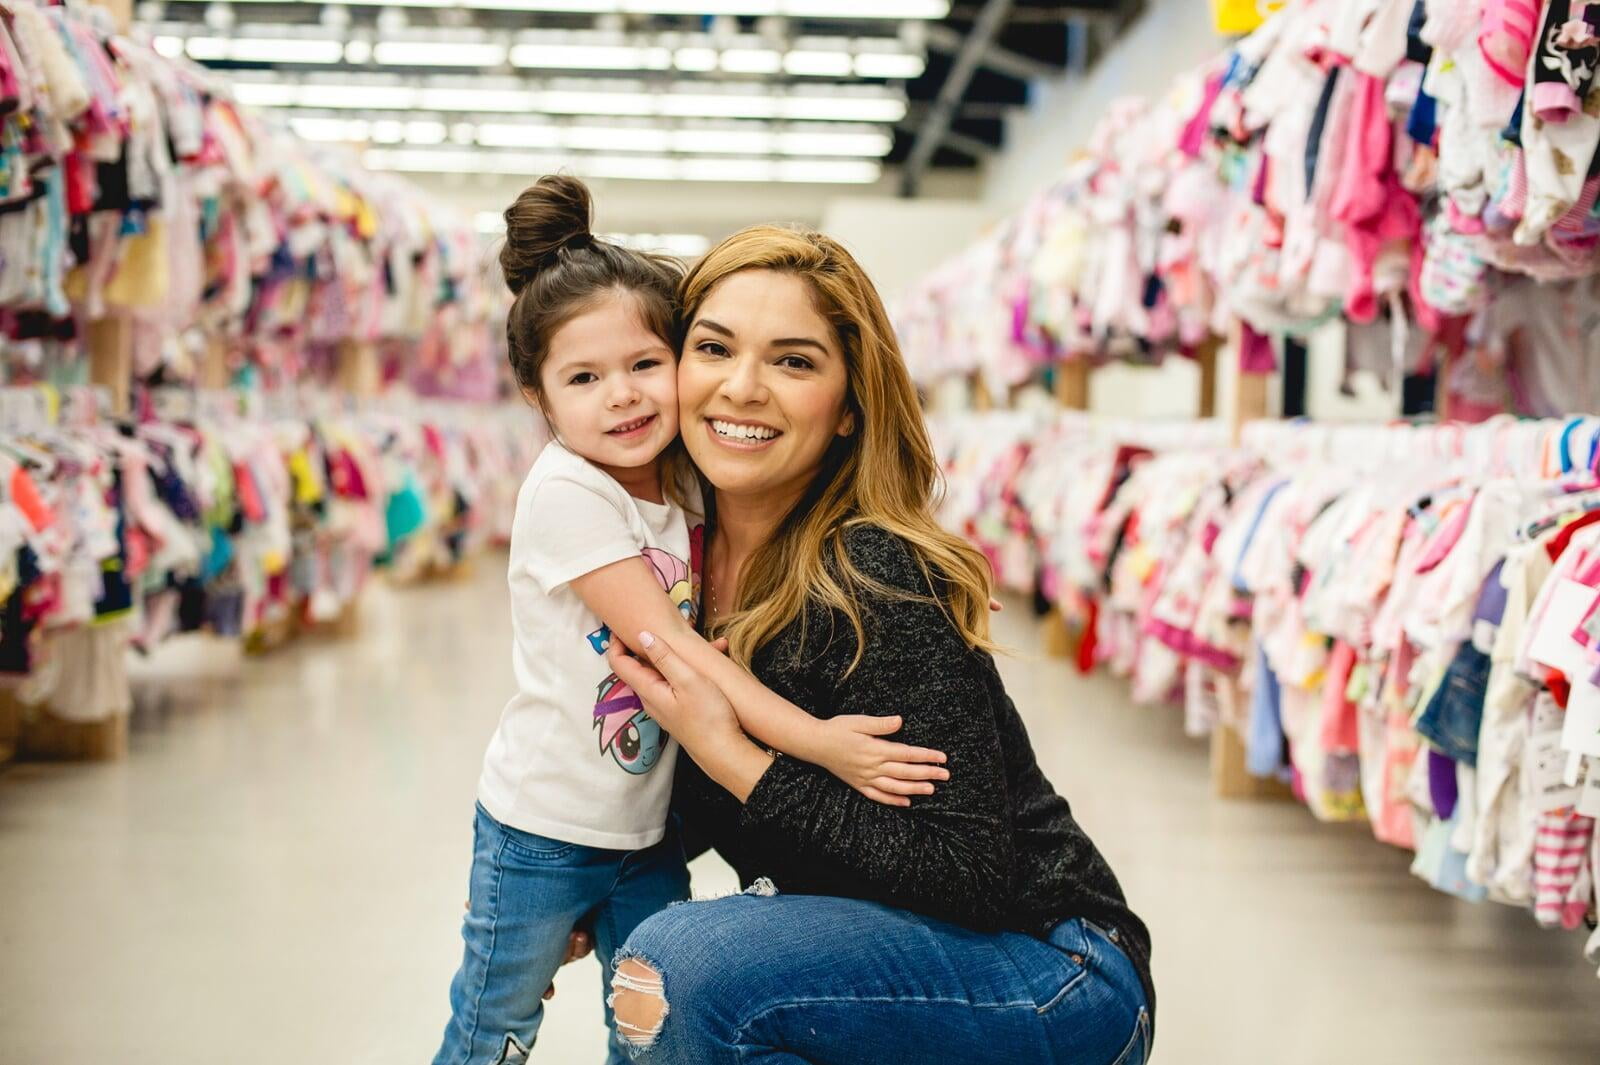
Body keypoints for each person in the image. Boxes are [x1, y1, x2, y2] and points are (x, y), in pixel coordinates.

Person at [598, 225, 1156, 1065]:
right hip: (925, 955)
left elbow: (963, 874)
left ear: (850, 404)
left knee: (683, 967)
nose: (742, 387)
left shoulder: (872, 571)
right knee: (652, 975)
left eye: (793, 361)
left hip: (1054, 971)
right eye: (713, 347)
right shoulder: (676, 569)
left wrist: (730, 752)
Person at [431, 178, 952, 1065]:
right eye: (584, 379)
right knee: (496, 1031)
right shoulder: (568, 492)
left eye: (644, 365)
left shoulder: (676, 477)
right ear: (538, 396)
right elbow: (675, 650)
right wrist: (822, 743)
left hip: (644, 833)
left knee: (649, 1031)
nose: (623, 398)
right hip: (543, 830)